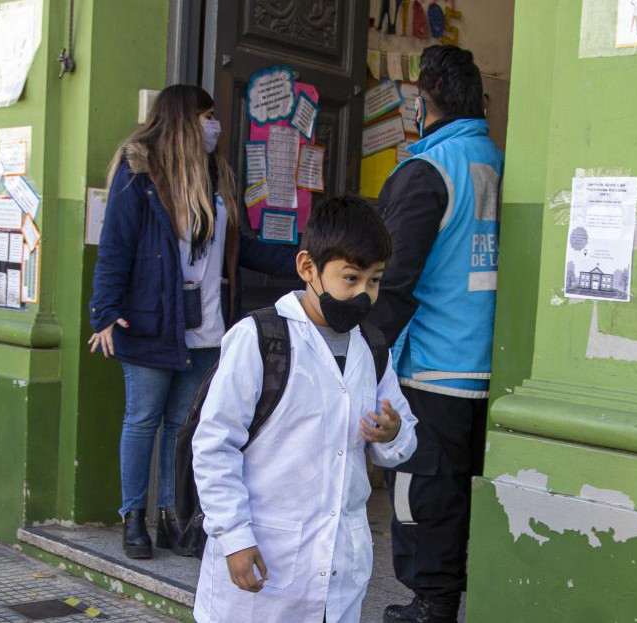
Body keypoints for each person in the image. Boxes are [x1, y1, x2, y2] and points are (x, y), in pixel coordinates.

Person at [88, 84, 295, 559]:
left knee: (184, 426)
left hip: (207, 328)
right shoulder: (137, 173)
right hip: (148, 324)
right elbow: (114, 247)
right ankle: (133, 517)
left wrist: (304, 259)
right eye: (206, 115)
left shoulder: (217, 177)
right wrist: (103, 312)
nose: (214, 124)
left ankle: (175, 519)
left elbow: (244, 250)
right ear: (184, 119)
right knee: (143, 420)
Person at [191, 196, 419, 623]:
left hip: (340, 564)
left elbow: (402, 440)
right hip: (265, 556)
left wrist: (392, 434)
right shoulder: (259, 339)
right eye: (350, 278)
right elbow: (214, 447)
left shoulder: (370, 348)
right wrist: (234, 538)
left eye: (374, 281)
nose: (363, 294)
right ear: (307, 268)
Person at [369, 45, 504, 623]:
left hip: (433, 367)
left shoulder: (427, 171)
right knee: (464, 493)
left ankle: (432, 605)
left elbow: (392, 279)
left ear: (424, 100)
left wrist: (362, 351)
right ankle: (448, 599)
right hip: (488, 366)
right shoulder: (499, 161)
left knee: (423, 496)